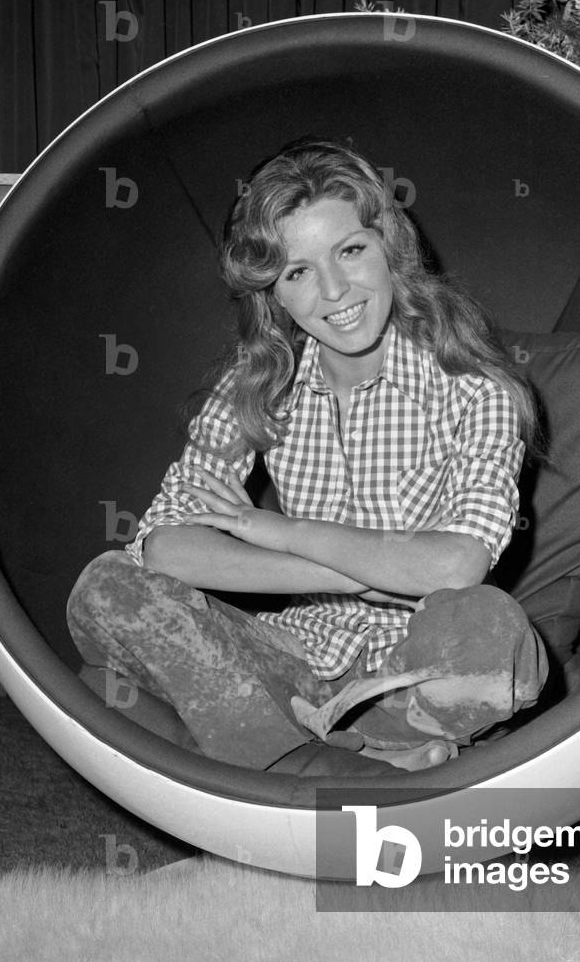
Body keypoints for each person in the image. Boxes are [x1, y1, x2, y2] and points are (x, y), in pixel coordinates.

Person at [66, 137, 548, 776]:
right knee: (105, 588)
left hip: (407, 671)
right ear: (276, 295)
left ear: (389, 250)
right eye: (297, 272)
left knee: (496, 630)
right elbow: (163, 547)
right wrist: (357, 571)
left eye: (350, 250)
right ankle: (333, 759)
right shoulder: (258, 385)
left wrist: (283, 534)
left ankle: (347, 741)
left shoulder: (475, 388)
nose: (334, 290)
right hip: (289, 660)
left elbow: (457, 566)